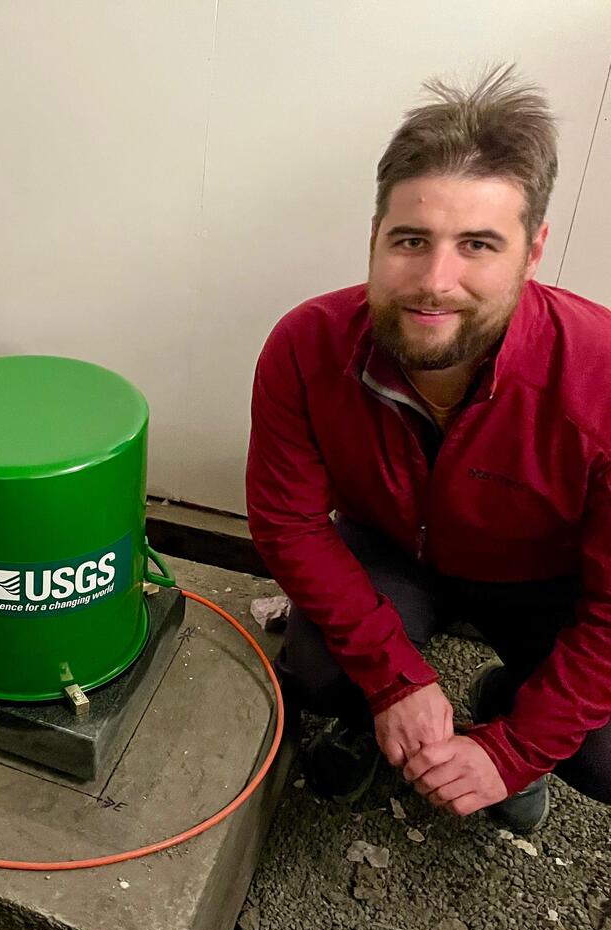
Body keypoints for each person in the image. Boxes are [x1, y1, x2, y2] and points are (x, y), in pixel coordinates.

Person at [246, 65, 611, 834]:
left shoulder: (600, 378)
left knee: (605, 753)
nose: (435, 282)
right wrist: (393, 679)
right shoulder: (304, 346)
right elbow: (290, 524)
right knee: (320, 667)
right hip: (393, 551)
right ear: (375, 237)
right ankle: (384, 723)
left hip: (546, 580)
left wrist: (514, 751)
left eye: (478, 244)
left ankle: (496, 710)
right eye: (411, 240)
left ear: (533, 251)